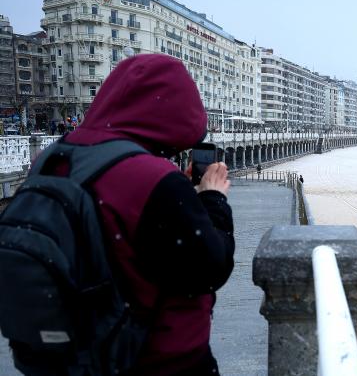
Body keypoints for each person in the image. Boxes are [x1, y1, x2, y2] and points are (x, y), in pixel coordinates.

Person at [29, 54, 235, 375]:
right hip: (155, 359)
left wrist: (182, 198)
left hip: (69, 353)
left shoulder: (51, 159)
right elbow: (210, 268)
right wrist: (213, 199)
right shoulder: (154, 179)